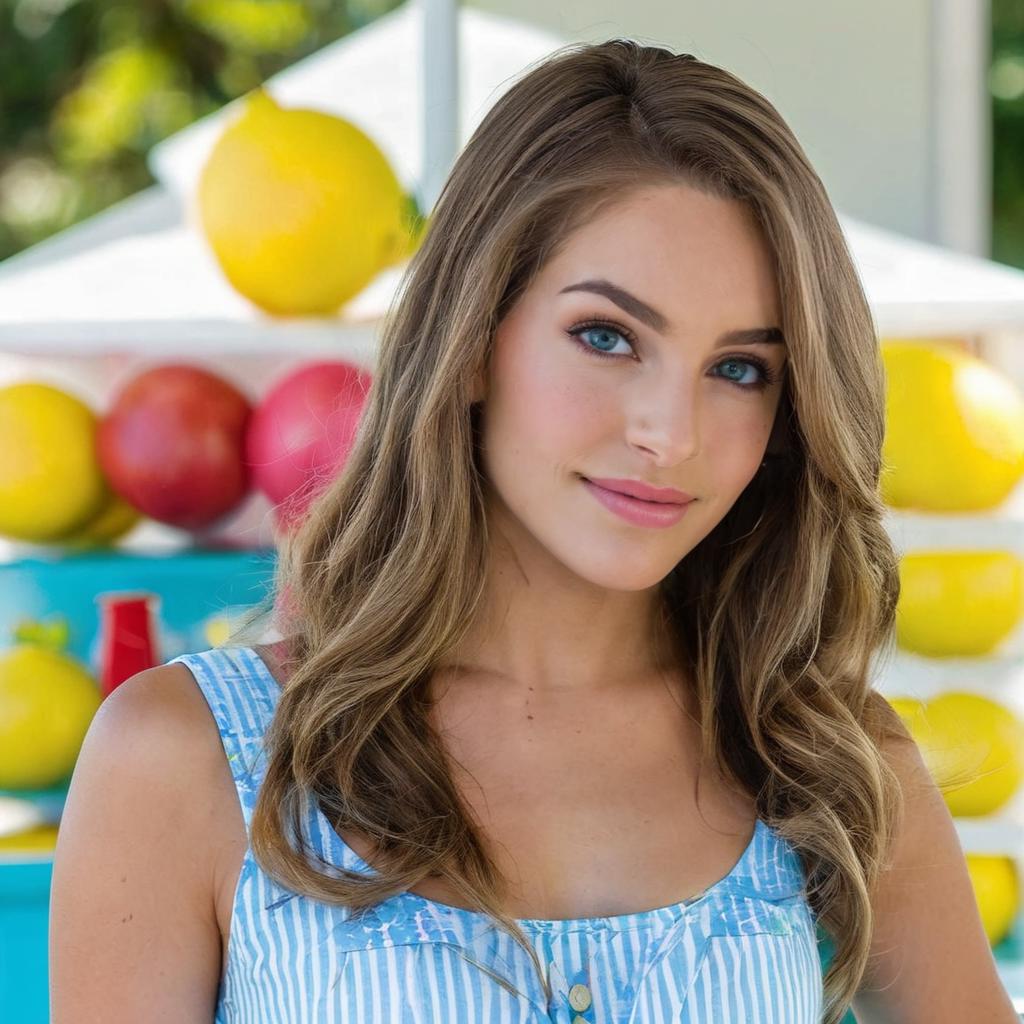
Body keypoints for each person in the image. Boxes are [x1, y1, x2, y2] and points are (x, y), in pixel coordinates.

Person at [48, 38, 1018, 1024]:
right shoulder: (188, 760)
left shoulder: (826, 761)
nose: (668, 434)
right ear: (472, 342)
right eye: (606, 336)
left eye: (738, 369)